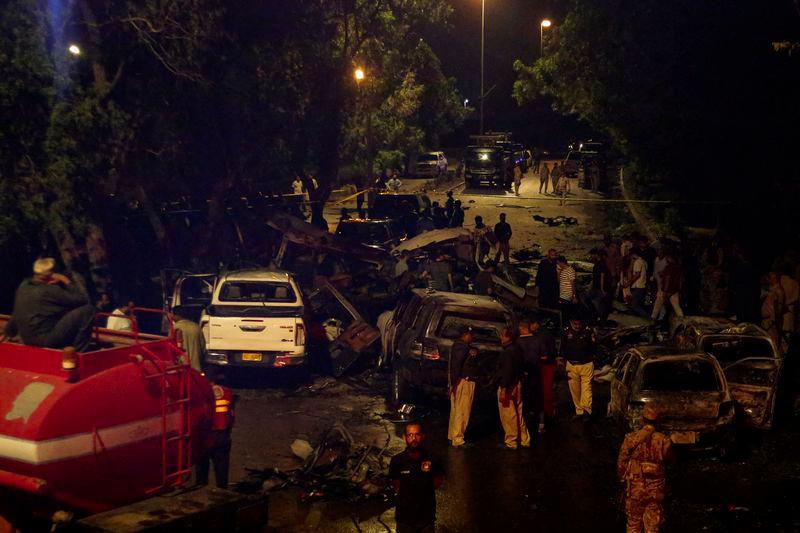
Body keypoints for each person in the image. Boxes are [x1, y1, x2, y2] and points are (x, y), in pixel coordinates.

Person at [1, 258, 96, 352]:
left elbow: (17, 311)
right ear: (53, 274)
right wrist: (66, 281)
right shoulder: (50, 291)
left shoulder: (23, 286)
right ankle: (77, 353)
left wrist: (8, 332)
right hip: (46, 340)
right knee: (88, 310)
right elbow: (83, 299)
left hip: (27, 339)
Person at [617, 405, 674, 533]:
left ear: (643, 419)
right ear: (657, 421)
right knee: (653, 524)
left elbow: (621, 463)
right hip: (655, 488)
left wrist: (622, 479)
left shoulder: (631, 439)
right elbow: (669, 460)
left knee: (633, 523)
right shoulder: (664, 440)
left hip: (635, 488)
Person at [389, 423, 444, 533]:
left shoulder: (433, 458)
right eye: (410, 435)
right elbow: (396, 483)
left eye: (417, 434)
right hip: (404, 518)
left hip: (426, 518)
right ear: (404, 437)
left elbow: (438, 480)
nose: (413, 438)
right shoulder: (397, 461)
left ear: (423, 436)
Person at [516, 317, 556, 433]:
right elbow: (544, 356)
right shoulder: (538, 340)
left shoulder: (518, 342)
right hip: (537, 373)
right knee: (539, 398)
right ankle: (541, 424)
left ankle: (523, 426)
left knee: (523, 400)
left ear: (522, 328)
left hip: (523, 375)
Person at [196, 380, 234, 488]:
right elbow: (230, 416)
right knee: (222, 469)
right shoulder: (226, 392)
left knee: (201, 468)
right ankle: (222, 493)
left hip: (203, 436)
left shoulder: (199, 392)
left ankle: (200, 491)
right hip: (221, 434)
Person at [497, 327, 530, 449]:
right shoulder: (518, 349)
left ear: (508, 337)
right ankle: (524, 439)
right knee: (519, 412)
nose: (501, 337)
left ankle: (511, 441)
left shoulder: (507, 352)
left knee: (508, 414)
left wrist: (503, 389)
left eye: (503, 335)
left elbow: (507, 371)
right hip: (518, 383)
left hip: (509, 386)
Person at [559, 314, 596, 420]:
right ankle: (579, 411)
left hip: (586, 364)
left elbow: (594, 346)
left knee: (587, 388)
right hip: (571, 364)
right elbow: (563, 347)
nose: (577, 326)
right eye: (575, 324)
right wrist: (562, 361)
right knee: (574, 389)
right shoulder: (566, 332)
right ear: (571, 322)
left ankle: (587, 411)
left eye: (579, 324)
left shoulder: (588, 331)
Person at [448, 327, 480, 447]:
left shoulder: (457, 346)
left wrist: (452, 383)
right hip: (463, 382)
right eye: (471, 335)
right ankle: (458, 439)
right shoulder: (463, 348)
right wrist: (454, 383)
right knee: (462, 411)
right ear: (465, 335)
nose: (472, 337)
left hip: (457, 381)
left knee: (456, 410)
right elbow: (457, 366)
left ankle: (452, 436)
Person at [651, 255, 684, 322]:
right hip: (674, 290)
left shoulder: (669, 267)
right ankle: (682, 320)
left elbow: (667, 280)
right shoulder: (678, 268)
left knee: (657, 304)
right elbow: (680, 281)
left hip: (666, 290)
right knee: (676, 306)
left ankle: (653, 319)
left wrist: (665, 291)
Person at [173, 305, 206, 372]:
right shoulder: (196, 327)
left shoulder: (175, 328)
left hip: (181, 367)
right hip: (196, 367)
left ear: (177, 315)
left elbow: (172, 348)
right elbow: (203, 348)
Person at [762, 271, 786, 348]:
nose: (769, 278)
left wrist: (774, 320)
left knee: (773, 343)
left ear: (775, 278)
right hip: (767, 320)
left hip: (772, 322)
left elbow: (779, 308)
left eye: (771, 276)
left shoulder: (778, 290)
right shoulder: (772, 289)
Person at [589, 249, 613, 323]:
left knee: (599, 305)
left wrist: (602, 289)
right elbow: (600, 277)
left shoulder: (598, 264)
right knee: (599, 304)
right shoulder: (601, 264)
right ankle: (600, 319)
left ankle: (600, 319)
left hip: (597, 287)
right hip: (597, 287)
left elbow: (601, 277)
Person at [628, 249, 649, 317]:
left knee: (634, 306)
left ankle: (647, 319)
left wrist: (629, 282)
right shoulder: (644, 261)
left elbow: (637, 274)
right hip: (642, 286)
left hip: (638, 286)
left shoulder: (638, 262)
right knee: (638, 305)